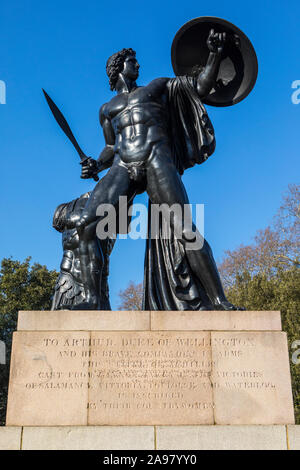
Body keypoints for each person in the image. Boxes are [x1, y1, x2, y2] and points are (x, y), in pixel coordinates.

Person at [77, 29, 239, 310]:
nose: (138, 65)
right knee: (87, 225)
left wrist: (214, 53)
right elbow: (110, 147)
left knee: (185, 229)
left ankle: (219, 300)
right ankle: (91, 299)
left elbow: (201, 87)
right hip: (122, 165)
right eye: (132, 61)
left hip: (156, 159)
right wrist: (96, 163)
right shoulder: (106, 109)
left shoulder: (157, 87)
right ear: (118, 67)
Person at [51, 191, 115, 310]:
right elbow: (56, 223)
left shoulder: (112, 208)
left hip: (97, 282)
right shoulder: (65, 208)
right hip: (67, 280)